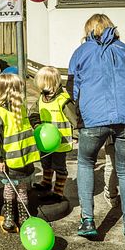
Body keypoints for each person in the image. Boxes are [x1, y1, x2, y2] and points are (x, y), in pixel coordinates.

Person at [68, 14, 125, 249]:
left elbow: (72, 89)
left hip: (94, 118)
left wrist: (81, 112)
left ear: (88, 31)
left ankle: (88, 221)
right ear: (111, 29)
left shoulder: (80, 53)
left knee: (85, 161)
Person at [0, 73, 40, 233]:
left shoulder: (2, 113)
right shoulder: (18, 110)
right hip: (20, 159)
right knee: (21, 188)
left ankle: (12, 217)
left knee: (11, 188)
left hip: (12, 161)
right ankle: (20, 217)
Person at [32, 66, 78, 203]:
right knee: (45, 162)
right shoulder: (41, 98)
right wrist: (35, 124)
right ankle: (46, 182)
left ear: (50, 83)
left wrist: (75, 136)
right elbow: (33, 112)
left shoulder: (63, 100)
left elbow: (75, 119)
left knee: (59, 166)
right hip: (44, 141)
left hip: (60, 143)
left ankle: (58, 192)